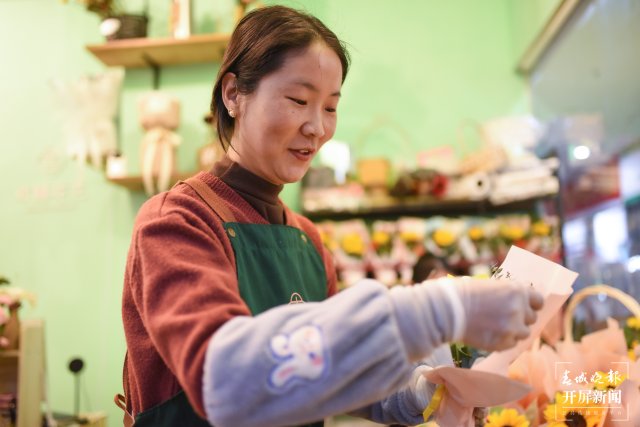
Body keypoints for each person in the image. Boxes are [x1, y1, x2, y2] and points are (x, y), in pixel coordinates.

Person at [118, 5, 544, 427]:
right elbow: (225, 378)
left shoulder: (306, 238)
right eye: (298, 100)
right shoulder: (178, 222)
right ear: (233, 94)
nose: (317, 128)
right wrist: (436, 310)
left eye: (330, 107)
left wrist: (416, 392)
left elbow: (332, 371)